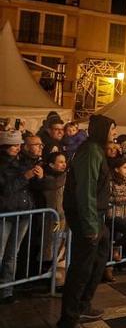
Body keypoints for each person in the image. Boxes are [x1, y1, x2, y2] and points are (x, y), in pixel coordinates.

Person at [58, 114, 116, 328]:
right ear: (102, 131)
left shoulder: (97, 151)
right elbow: (86, 190)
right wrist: (91, 227)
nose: (114, 133)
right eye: (112, 129)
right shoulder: (91, 151)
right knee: (81, 268)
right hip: (87, 218)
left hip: (97, 217)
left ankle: (83, 305)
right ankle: (69, 317)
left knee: (98, 261)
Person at [0, 130, 41, 303]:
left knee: (12, 254)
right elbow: (6, 188)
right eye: (12, 145)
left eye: (17, 145)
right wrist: (26, 176)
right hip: (6, 212)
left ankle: (6, 291)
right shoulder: (2, 165)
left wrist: (38, 176)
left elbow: (30, 185)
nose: (16, 148)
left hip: (23, 211)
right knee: (1, 253)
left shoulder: (21, 162)